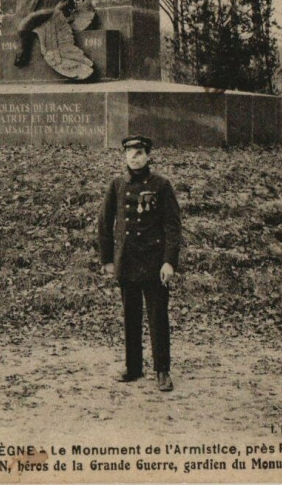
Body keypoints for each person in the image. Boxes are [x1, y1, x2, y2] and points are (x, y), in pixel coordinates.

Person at [99, 135, 181, 391]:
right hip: (127, 261)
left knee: (158, 317)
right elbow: (104, 222)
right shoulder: (116, 185)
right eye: (130, 153)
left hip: (154, 263)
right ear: (124, 156)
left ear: (148, 156)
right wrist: (107, 259)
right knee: (131, 316)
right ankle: (133, 367)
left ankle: (162, 370)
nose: (134, 157)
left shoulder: (161, 185)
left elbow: (172, 227)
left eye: (139, 152)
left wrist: (169, 262)